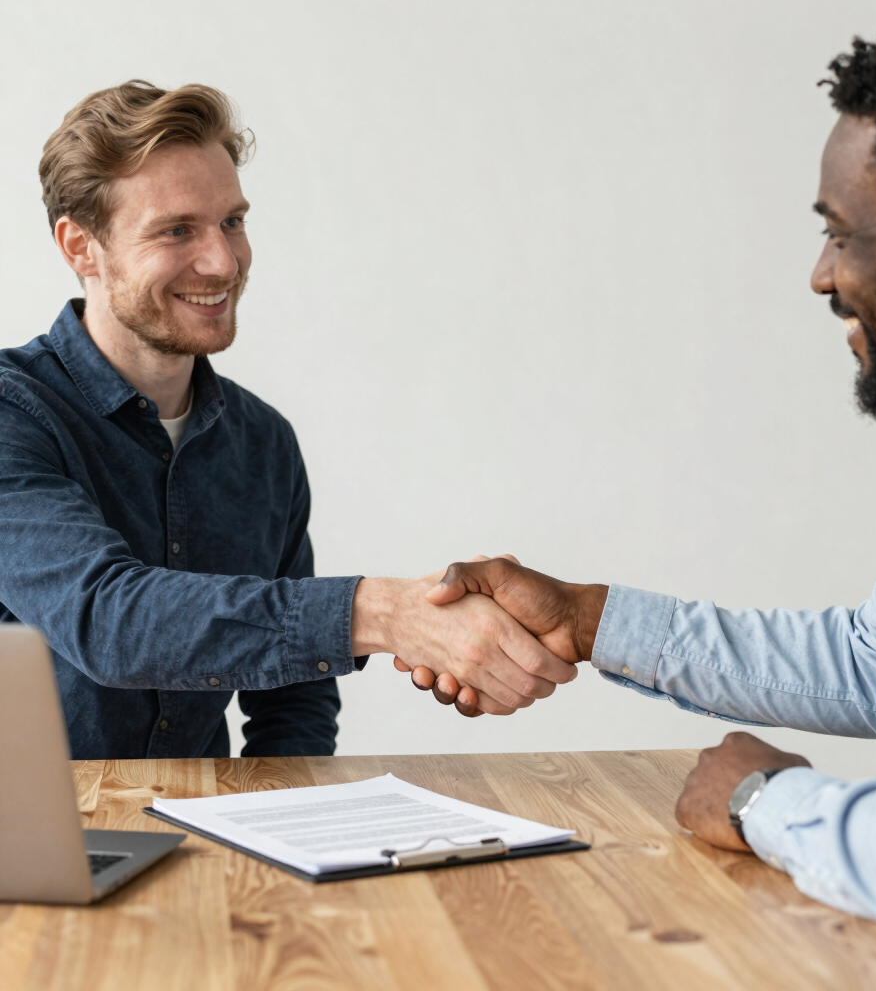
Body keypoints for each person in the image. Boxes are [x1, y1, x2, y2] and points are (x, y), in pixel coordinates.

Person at [404, 0, 876, 952]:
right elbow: (873, 665)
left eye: (842, 232)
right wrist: (584, 616)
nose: (822, 275)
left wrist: (760, 800)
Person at [0, 80, 575, 760]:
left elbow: (294, 694)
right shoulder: (16, 415)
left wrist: (279, 824)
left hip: (200, 837)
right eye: (177, 230)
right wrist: (385, 615)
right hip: (33, 848)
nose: (222, 261)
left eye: (232, 221)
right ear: (80, 247)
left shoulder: (263, 441)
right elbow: (111, 620)